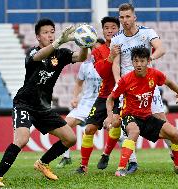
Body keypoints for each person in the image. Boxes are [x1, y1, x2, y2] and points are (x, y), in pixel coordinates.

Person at [0, 18, 89, 187]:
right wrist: (59, 41)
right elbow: (39, 56)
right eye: (45, 33)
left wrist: (85, 42)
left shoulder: (61, 54)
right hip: (24, 103)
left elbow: (81, 57)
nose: (50, 35)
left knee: (70, 138)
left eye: (52, 32)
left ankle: (42, 163)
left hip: (43, 107)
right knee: (22, 139)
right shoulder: (32, 52)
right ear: (38, 37)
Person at [110, 3, 178, 169]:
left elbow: (161, 49)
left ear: (134, 17)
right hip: (128, 86)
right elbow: (115, 64)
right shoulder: (116, 39)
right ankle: (131, 162)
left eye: (128, 16)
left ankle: (175, 155)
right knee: (130, 127)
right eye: (121, 17)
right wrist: (117, 82)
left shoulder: (147, 32)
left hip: (148, 84)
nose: (125, 20)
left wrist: (149, 60)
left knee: (161, 120)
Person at [104, 47, 178, 176]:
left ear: (148, 61)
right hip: (129, 116)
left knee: (175, 134)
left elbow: (169, 82)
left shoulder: (154, 74)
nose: (138, 64)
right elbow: (110, 99)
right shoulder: (125, 80)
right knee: (134, 131)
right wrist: (110, 116)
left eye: (142, 61)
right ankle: (121, 168)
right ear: (132, 62)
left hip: (147, 117)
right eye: (135, 61)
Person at [75, 16, 123, 174]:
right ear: (102, 31)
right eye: (107, 28)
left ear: (118, 29)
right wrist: (111, 56)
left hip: (122, 94)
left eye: (113, 27)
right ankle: (83, 166)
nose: (110, 30)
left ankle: (106, 154)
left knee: (116, 123)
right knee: (89, 129)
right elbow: (102, 72)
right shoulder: (97, 51)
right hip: (103, 95)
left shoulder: (125, 45)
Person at [56, 38, 104, 168]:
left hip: (103, 103)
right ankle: (66, 157)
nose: (96, 51)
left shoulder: (110, 65)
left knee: (119, 131)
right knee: (64, 126)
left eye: (98, 49)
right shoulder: (85, 65)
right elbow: (78, 83)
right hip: (86, 103)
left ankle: (131, 160)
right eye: (93, 49)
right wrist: (75, 97)